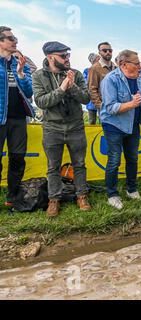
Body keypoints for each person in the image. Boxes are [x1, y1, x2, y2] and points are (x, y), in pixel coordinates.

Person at [32, 41, 92, 217]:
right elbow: (42, 102)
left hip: (75, 127)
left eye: (68, 55)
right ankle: (54, 199)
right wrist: (62, 87)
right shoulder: (38, 76)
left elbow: (86, 98)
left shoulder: (77, 74)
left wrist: (72, 86)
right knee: (53, 167)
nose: (67, 59)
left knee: (79, 164)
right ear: (50, 57)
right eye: (63, 56)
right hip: (52, 128)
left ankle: (81, 195)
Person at [100, 50, 141, 210]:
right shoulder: (110, 80)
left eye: (140, 63)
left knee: (132, 158)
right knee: (114, 159)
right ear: (123, 64)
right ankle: (112, 195)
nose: (140, 66)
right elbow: (111, 107)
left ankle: (131, 190)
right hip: (113, 125)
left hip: (133, 124)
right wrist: (132, 104)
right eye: (136, 63)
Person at [0, 26, 35, 207]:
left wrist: (21, 73)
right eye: (10, 38)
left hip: (19, 119)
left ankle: (12, 198)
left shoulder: (21, 62)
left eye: (15, 39)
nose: (15, 41)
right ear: (1, 41)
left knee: (18, 158)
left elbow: (29, 92)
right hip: (0, 118)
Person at [88, 42, 116, 117]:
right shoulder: (94, 68)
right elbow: (92, 90)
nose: (108, 52)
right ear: (99, 52)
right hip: (105, 108)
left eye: (110, 50)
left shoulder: (116, 68)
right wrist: (101, 106)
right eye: (104, 50)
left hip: (117, 107)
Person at [83, 53, 100, 124]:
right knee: (92, 121)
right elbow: (86, 84)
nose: (100, 59)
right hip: (91, 100)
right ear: (94, 60)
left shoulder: (103, 70)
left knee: (104, 121)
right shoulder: (87, 71)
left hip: (102, 100)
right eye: (98, 58)